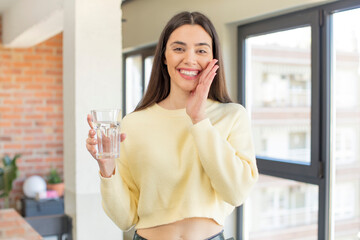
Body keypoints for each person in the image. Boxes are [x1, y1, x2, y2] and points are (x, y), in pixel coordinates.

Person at [86, 11, 258, 240]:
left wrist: (199, 119)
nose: (190, 59)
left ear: (213, 59)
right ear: (164, 57)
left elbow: (236, 193)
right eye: (178, 48)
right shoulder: (134, 123)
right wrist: (107, 169)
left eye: (201, 50)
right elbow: (125, 218)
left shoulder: (232, 116)